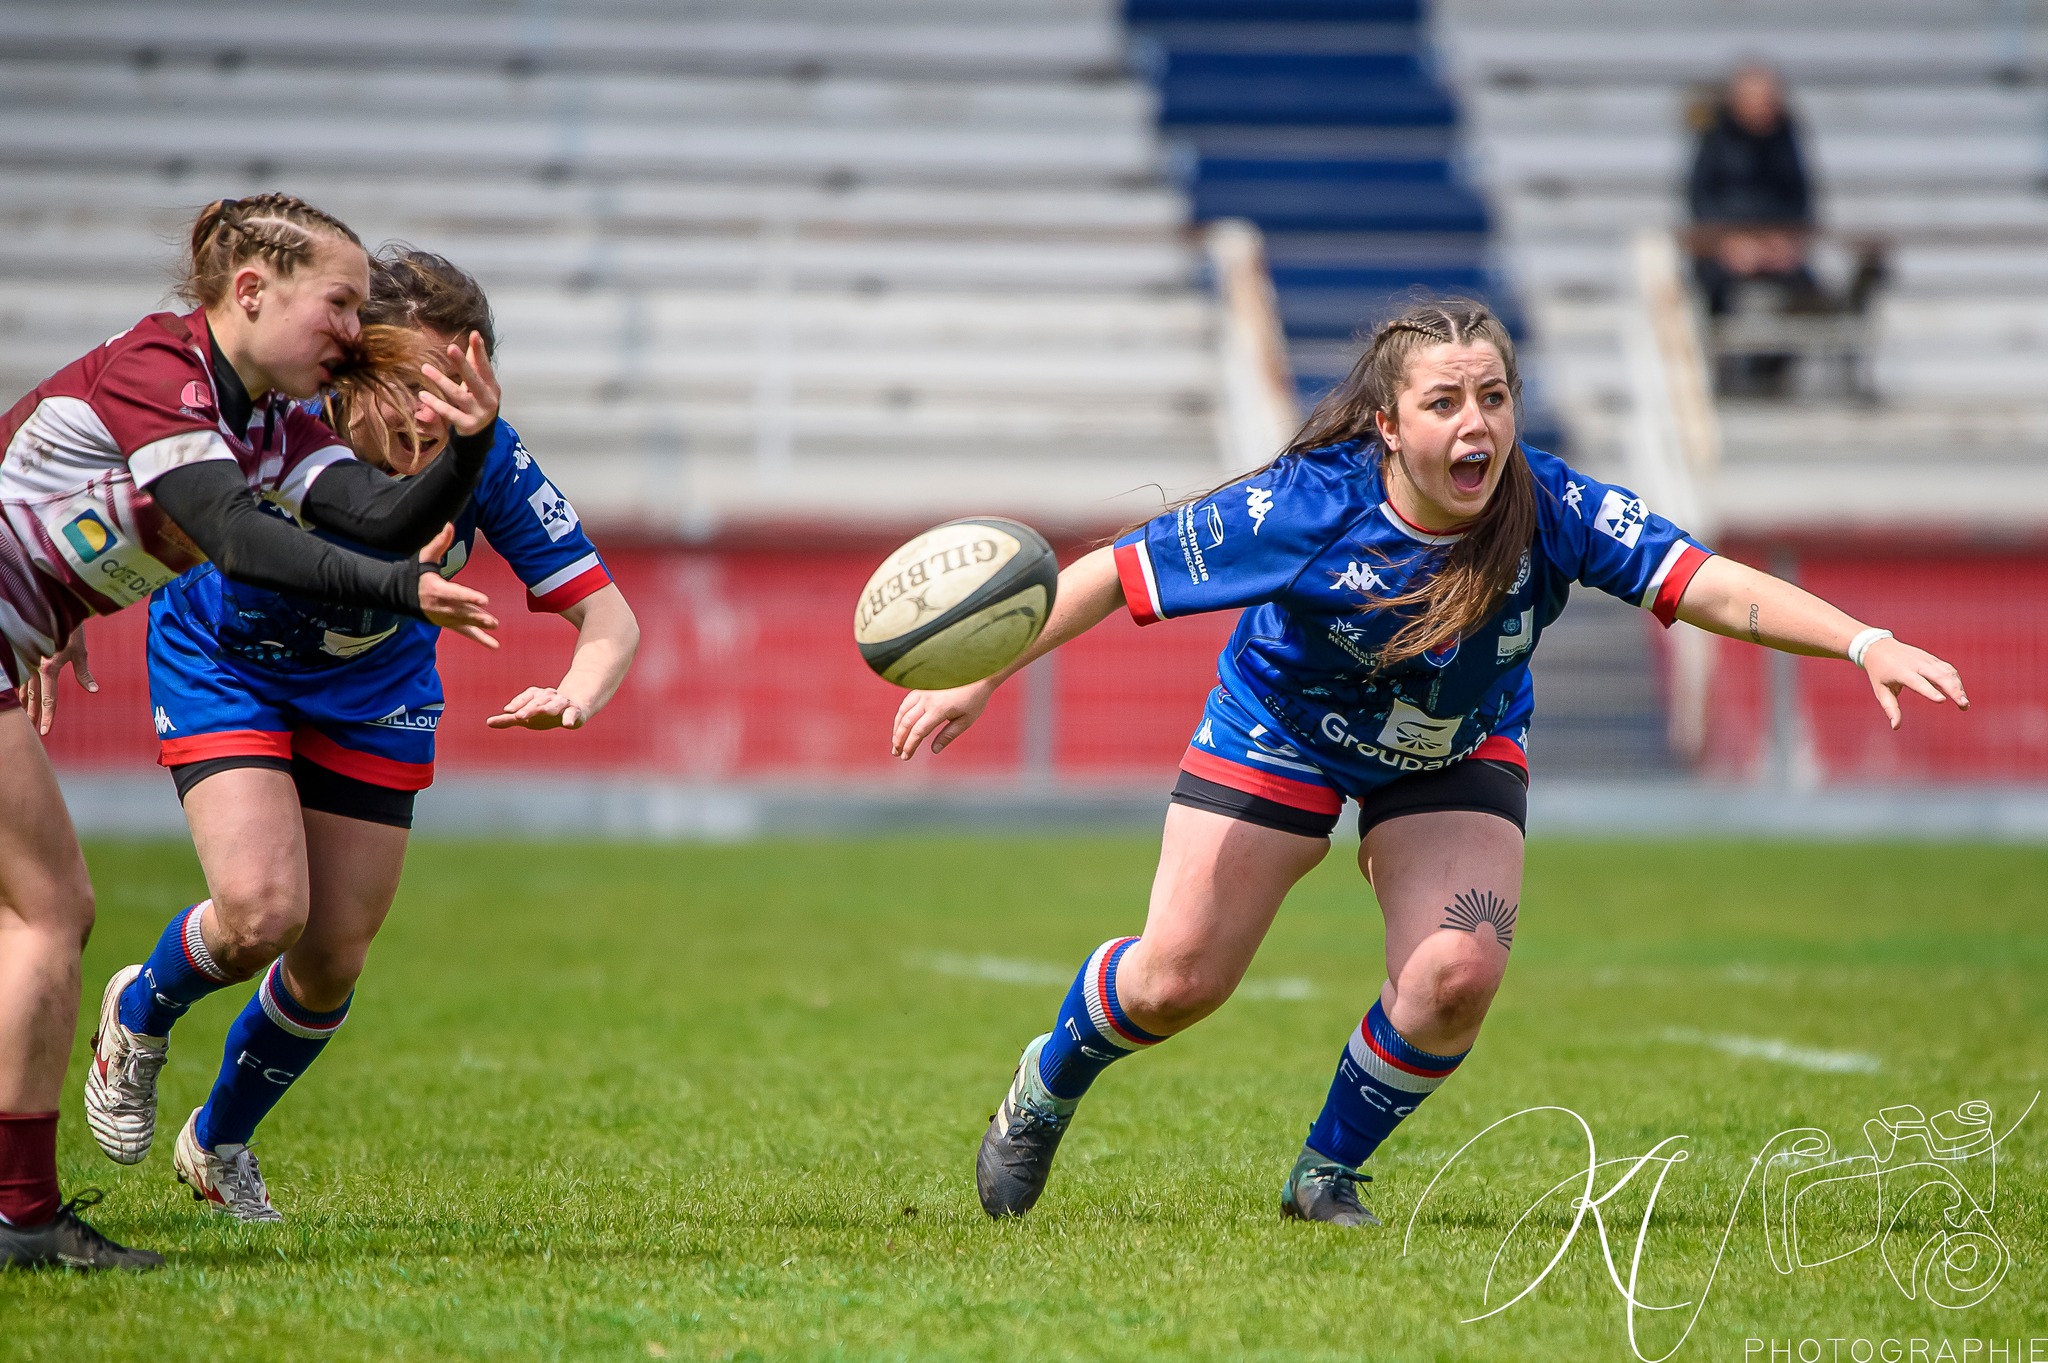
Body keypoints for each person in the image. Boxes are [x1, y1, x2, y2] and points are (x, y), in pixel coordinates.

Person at [891, 300, 1967, 1225]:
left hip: (1455, 741)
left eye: (1492, 397)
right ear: (1388, 424)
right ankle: (1045, 1084)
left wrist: (1860, 640)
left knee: (1457, 972)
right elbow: (1111, 574)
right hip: (1283, 722)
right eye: (1445, 402)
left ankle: (1325, 1174)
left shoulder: (1548, 505)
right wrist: (982, 669)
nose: (1475, 423)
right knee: (1176, 981)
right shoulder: (1308, 503)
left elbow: (1707, 581)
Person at [78, 249, 639, 1223]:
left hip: (373, 690)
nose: (429, 412)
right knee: (259, 910)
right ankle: (139, 1009)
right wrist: (50, 616)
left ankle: (218, 1141)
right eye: (407, 383)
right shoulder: (273, 435)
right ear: (349, 363)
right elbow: (126, 505)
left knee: (332, 954)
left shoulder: (487, 458)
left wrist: (578, 693)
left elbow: (611, 620)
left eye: (451, 388)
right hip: (228, 665)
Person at [0, 195, 503, 1270]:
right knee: (48, 915)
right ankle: (20, 1219)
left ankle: (23, 1215)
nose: (353, 333)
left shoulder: (269, 421)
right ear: (249, 292)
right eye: (339, 304)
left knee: (53, 912)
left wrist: (469, 449)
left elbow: (375, 515)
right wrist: (406, 593)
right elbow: (237, 540)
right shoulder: (160, 372)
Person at [1687, 63, 1820, 320]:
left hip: (1777, 251)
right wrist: (1727, 244)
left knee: (1812, 304)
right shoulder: (1715, 136)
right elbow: (1700, 199)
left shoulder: (1785, 135)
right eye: (1759, 101)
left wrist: (1784, 242)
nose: (1766, 108)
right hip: (1724, 254)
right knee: (1712, 307)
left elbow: (1800, 196)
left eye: (1770, 101)